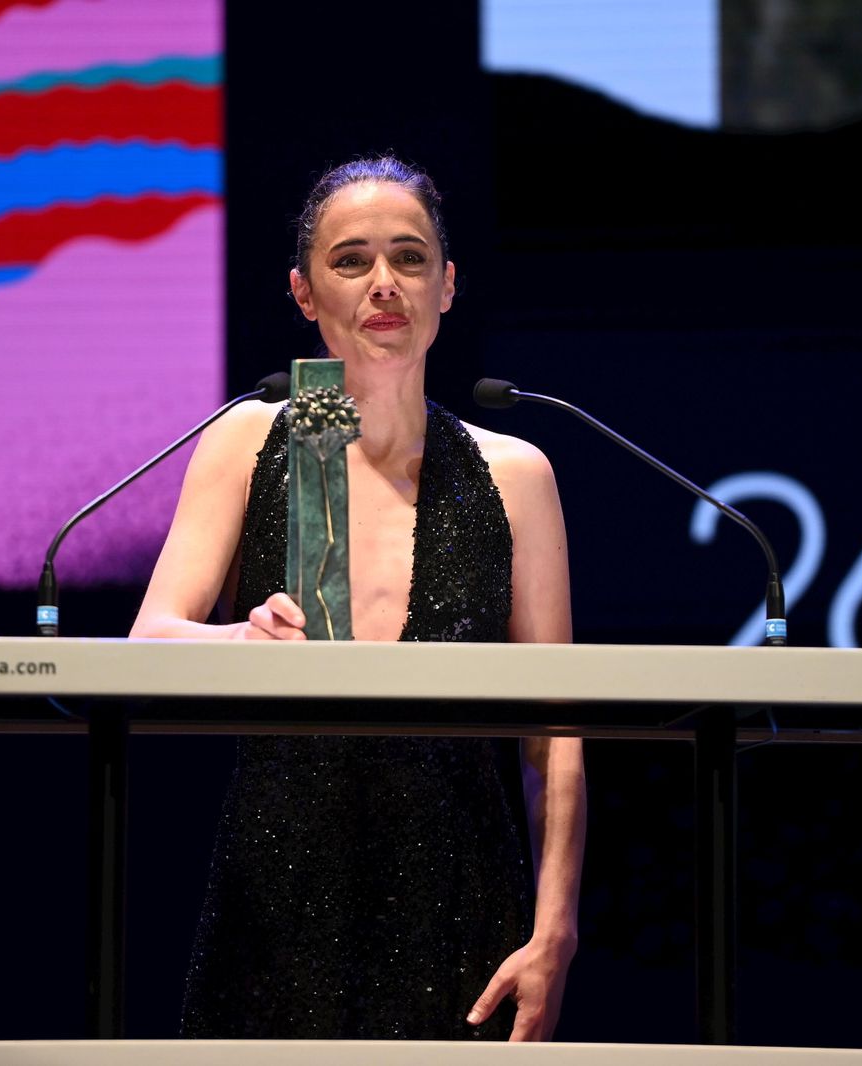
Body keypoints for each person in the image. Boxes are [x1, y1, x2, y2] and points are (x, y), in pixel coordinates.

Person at [130, 156, 585, 1041]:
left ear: (448, 285)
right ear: (304, 293)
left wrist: (554, 929)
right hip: (278, 893)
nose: (385, 284)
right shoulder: (252, 437)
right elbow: (153, 637)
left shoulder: (515, 472)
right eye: (351, 261)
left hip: (462, 900)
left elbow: (556, 733)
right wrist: (237, 645)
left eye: (411, 259)